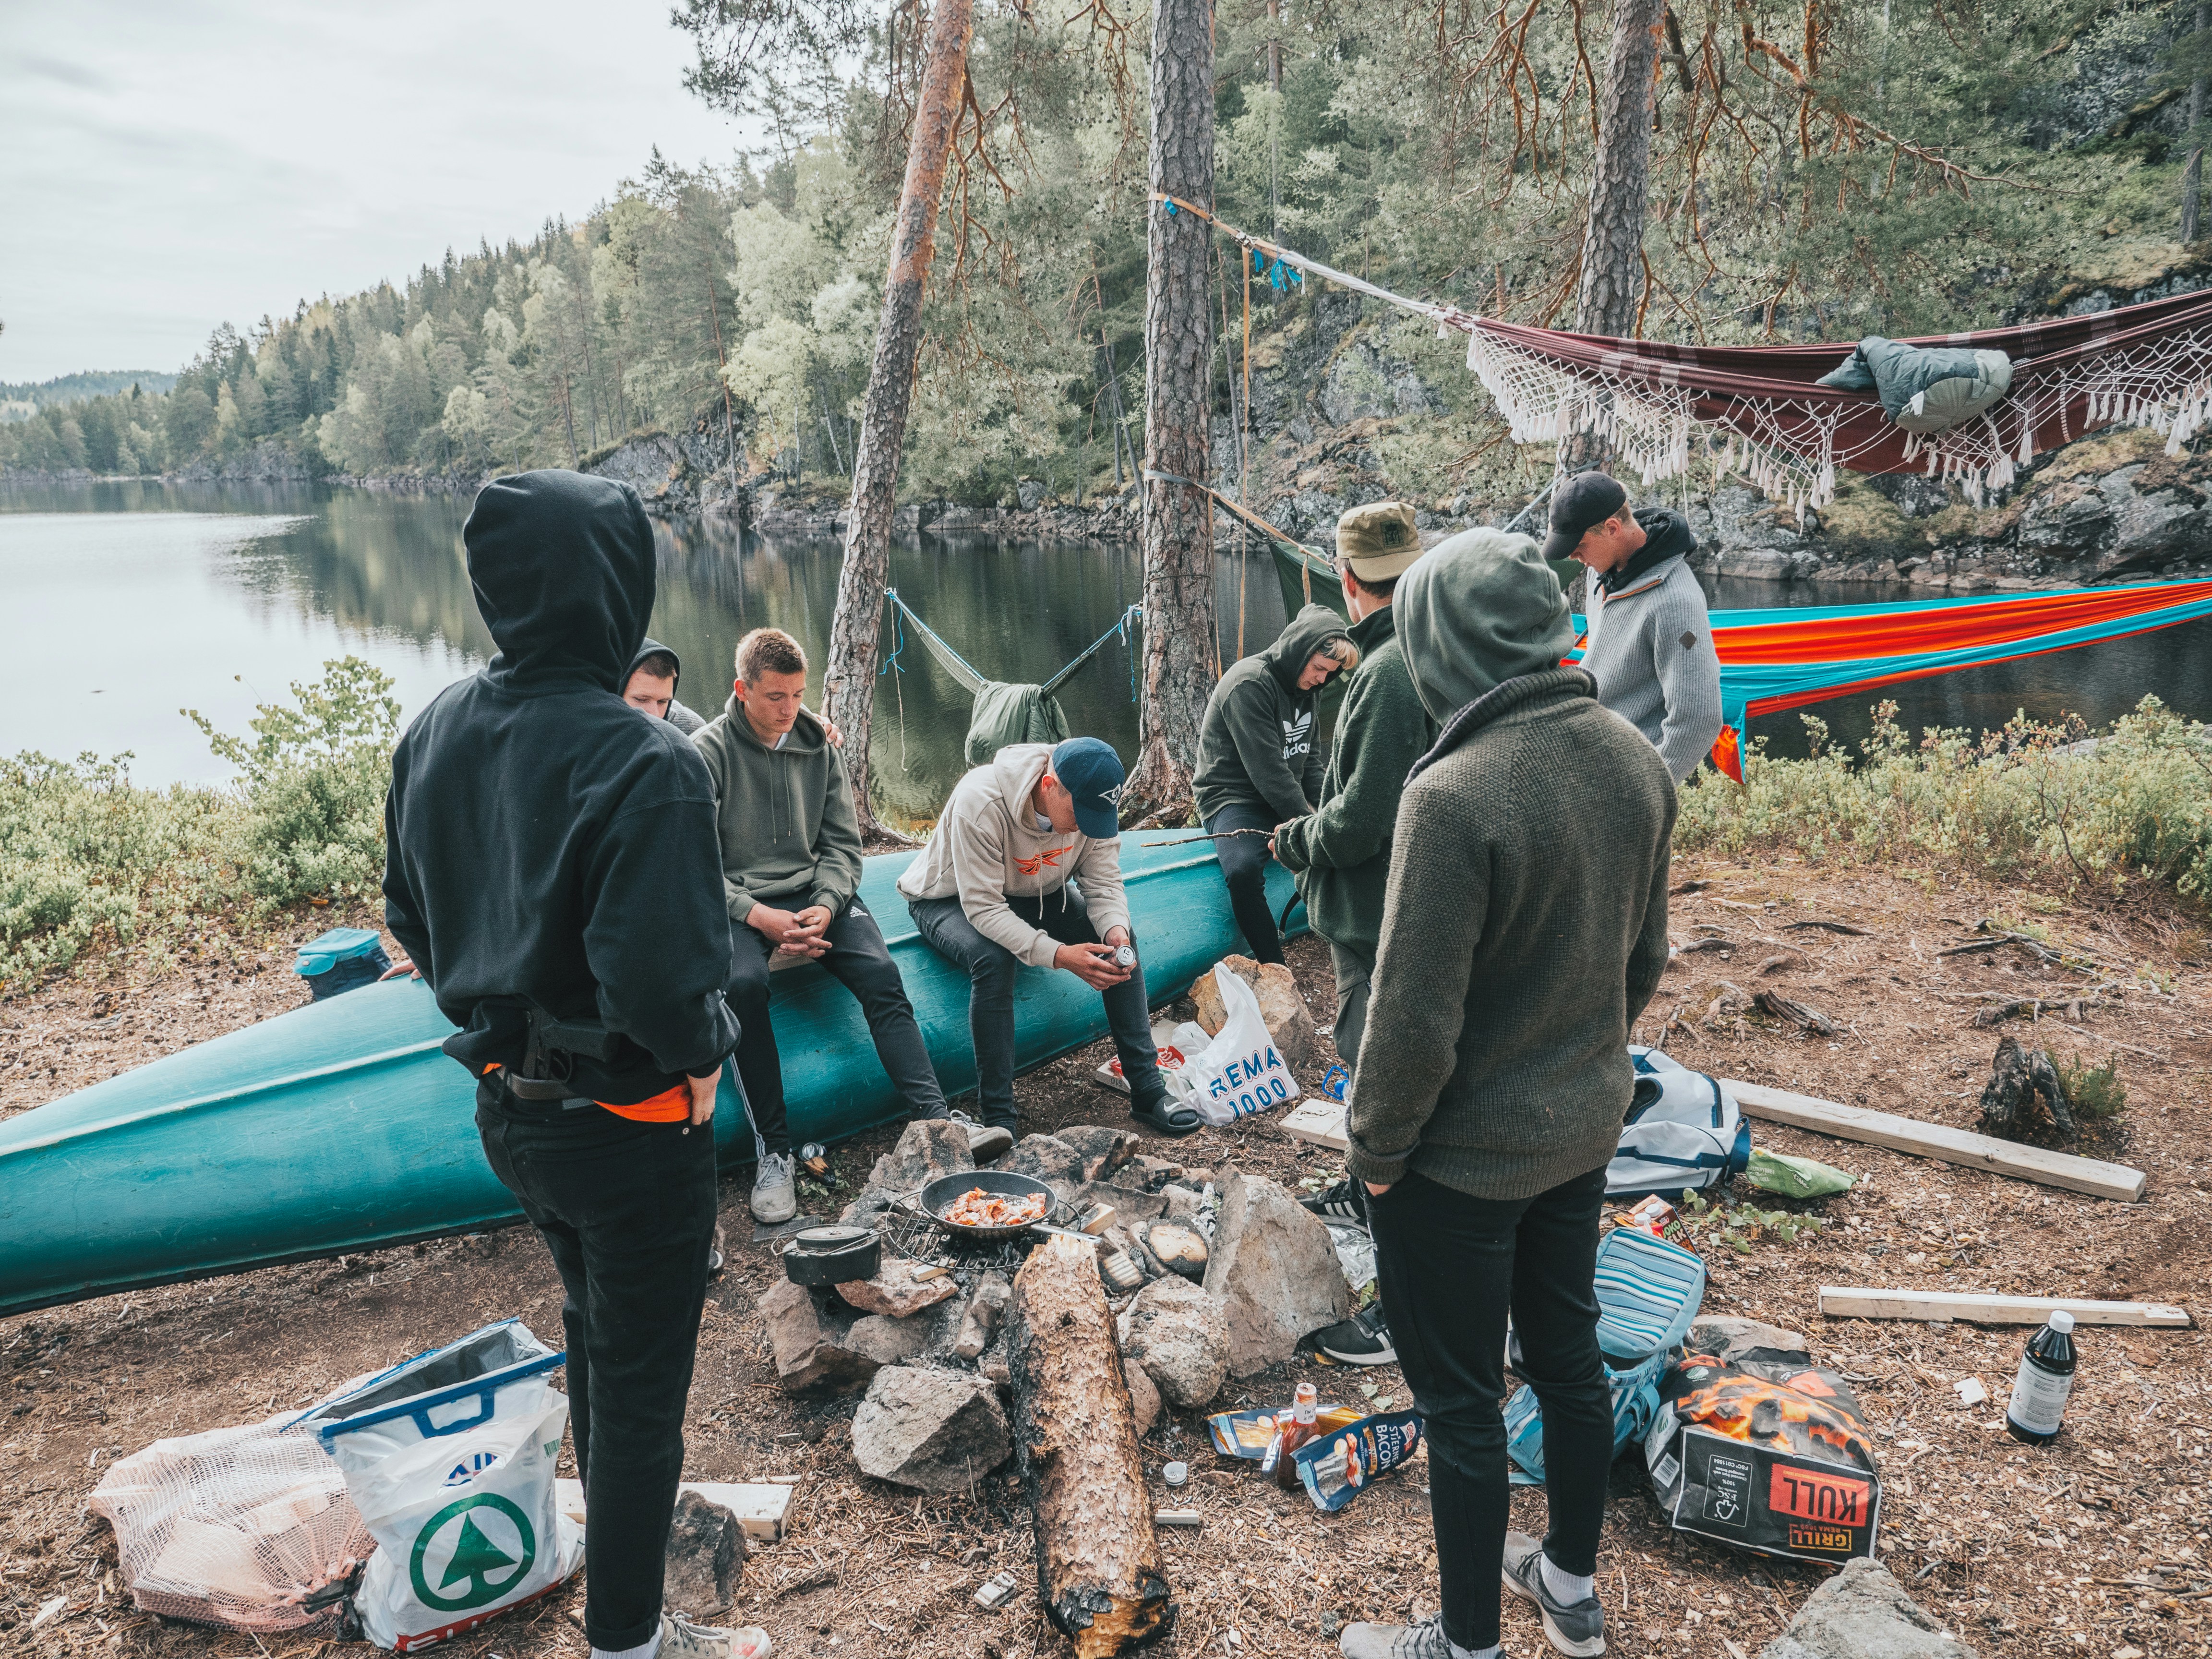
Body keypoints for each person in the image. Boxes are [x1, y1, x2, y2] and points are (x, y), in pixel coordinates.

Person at [383, 470, 766, 1659]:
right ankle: (630, 1640)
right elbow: (664, 984)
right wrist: (707, 1059)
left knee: (597, 1333)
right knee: (645, 1391)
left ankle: (621, 1597)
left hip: (511, 1117)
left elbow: (410, 914)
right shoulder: (644, 758)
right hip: (632, 1121)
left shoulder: (437, 723)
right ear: (618, 584)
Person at [1334, 529, 1675, 1659]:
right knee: (1569, 1360)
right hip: (1580, 1131)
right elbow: (1641, 962)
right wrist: (1579, 1064)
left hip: (1461, 1165)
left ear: (1443, 642)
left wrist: (1375, 1149)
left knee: (1462, 1402)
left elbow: (1410, 1018)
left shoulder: (1453, 790)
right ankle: (1568, 1586)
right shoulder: (1629, 751)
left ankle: (1467, 1641)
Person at [696, 626, 1000, 1223]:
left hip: (814, 894)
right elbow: (698, 867)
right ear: (742, 690)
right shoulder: (706, 754)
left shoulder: (818, 745)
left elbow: (842, 846)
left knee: (882, 971)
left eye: (798, 695)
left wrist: (828, 903)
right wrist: (760, 916)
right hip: (741, 906)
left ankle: (935, 1120)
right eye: (776, 697)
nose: (791, 710)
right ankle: (774, 1152)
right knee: (744, 988)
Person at [1271, 501, 1432, 1369]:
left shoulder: (1383, 672)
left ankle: (1398, 1310)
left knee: (1377, 1076)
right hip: (1414, 899)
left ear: (1345, 580)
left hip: (1378, 906)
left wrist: (1294, 838)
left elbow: (1360, 819)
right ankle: (1367, 1200)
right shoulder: (1434, 648)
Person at [898, 736, 1201, 1139]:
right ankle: (999, 1120)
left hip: (1037, 891)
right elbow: (984, 908)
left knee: (1124, 939)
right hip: (950, 898)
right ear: (1049, 786)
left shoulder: (1095, 801)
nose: (1087, 825)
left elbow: (1104, 881)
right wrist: (1059, 955)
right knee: (993, 960)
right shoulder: (981, 801)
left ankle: (1147, 1092)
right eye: (1081, 813)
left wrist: (1114, 930)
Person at [1191, 602, 1355, 963]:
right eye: (1319, 669)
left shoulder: (1310, 687)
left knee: (1342, 844)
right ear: (1301, 650)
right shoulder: (1249, 684)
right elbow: (1268, 772)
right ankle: (1274, 966)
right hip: (1232, 797)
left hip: (1279, 793)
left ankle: (1346, 938)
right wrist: (1310, 829)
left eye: (1330, 673)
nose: (1322, 679)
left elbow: (1310, 761)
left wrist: (1332, 811)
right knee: (1243, 872)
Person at [1542, 469, 1723, 784]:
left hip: (1625, 786)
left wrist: (1648, 796)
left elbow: (1700, 719)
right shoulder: (1599, 570)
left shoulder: (1675, 602)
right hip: (1585, 768)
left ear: (1612, 528)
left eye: (1579, 545)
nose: (1573, 556)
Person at [622, 637, 709, 736]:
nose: (655, 715)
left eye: (662, 702)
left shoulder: (692, 731)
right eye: (641, 700)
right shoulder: (602, 729)